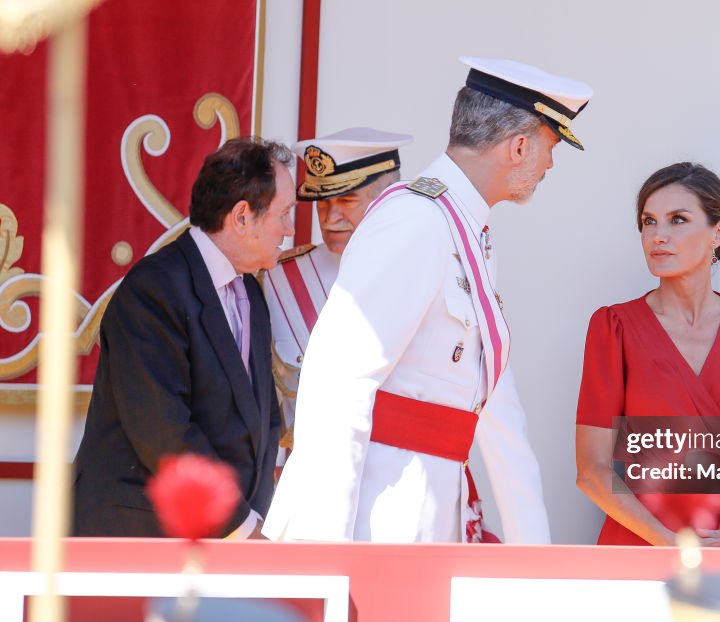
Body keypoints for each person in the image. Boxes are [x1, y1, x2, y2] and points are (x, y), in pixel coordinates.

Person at [263, 57, 593, 543]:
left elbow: (499, 410)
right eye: (549, 147)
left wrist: (532, 551)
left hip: (428, 507)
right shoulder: (416, 220)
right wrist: (323, 551)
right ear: (519, 145)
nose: (549, 164)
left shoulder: (467, 231)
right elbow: (340, 383)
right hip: (375, 517)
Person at [73, 137, 294, 538]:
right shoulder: (153, 289)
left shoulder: (251, 292)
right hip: (141, 541)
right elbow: (164, 431)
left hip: (221, 539)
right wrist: (243, 527)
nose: (289, 229)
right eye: (284, 214)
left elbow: (259, 419)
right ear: (242, 217)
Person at [576, 162, 720, 547]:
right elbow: (592, 469)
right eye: (648, 221)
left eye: (677, 220)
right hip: (641, 543)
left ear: (718, 232)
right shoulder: (614, 327)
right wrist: (670, 544)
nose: (658, 236)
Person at [264, 127, 412, 449]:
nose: (330, 217)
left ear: (389, 198)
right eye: (321, 202)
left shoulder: (428, 273)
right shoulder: (279, 280)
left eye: (346, 199)